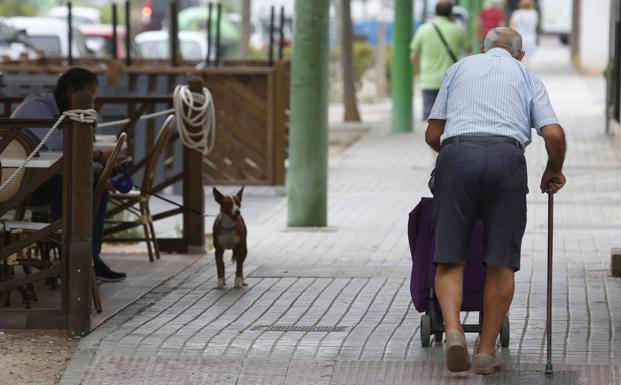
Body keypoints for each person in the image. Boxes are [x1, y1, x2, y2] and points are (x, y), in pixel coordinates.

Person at [424, 27, 566, 374]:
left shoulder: (459, 69)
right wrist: (553, 169)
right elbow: (554, 133)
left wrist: (458, 157)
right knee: (501, 262)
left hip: (457, 154)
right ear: (520, 55)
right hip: (507, 160)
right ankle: (485, 351)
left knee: (449, 259)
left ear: (482, 49)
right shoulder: (525, 75)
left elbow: (432, 133)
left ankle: (454, 330)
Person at [11, 67, 127, 282]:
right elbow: (59, 150)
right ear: (72, 92)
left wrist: (100, 169)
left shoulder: (68, 113)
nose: (92, 102)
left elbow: (70, 155)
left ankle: (87, 258)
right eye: (89, 96)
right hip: (17, 186)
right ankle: (71, 260)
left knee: (94, 184)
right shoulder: (38, 107)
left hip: (42, 179)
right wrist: (98, 158)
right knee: (71, 185)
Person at [410, 1, 470, 121]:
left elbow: (413, 56)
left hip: (428, 79)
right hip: (451, 80)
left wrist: (418, 72)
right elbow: (469, 51)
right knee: (449, 118)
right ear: (450, 13)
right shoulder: (457, 30)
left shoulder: (423, 29)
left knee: (429, 119)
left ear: (435, 12)